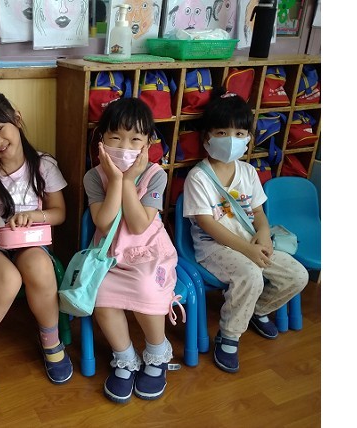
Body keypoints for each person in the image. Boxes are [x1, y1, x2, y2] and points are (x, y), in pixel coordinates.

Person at [0, 91, 73, 403]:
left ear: (16, 119)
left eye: (0, 128)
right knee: (8, 279)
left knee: (40, 267)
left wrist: (34, 216)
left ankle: (50, 340)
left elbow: (59, 213)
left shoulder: (44, 165)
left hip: (27, 242)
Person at [182, 88, 309, 373]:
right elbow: (207, 223)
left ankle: (256, 310)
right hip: (214, 248)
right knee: (251, 275)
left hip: (250, 242)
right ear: (207, 137)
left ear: (248, 138)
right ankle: (229, 334)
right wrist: (248, 251)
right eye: (222, 133)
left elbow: (259, 213)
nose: (232, 140)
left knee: (297, 275)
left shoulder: (248, 172)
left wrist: (263, 235)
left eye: (239, 134)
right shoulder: (198, 177)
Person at [83, 97, 182, 404]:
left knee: (146, 288)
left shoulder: (156, 175)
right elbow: (103, 222)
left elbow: (139, 225)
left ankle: (156, 352)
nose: (125, 147)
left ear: (148, 143)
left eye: (135, 139)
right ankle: (125, 357)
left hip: (149, 252)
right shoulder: (93, 176)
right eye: (115, 137)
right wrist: (115, 179)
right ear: (102, 139)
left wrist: (127, 181)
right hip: (110, 252)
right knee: (100, 296)